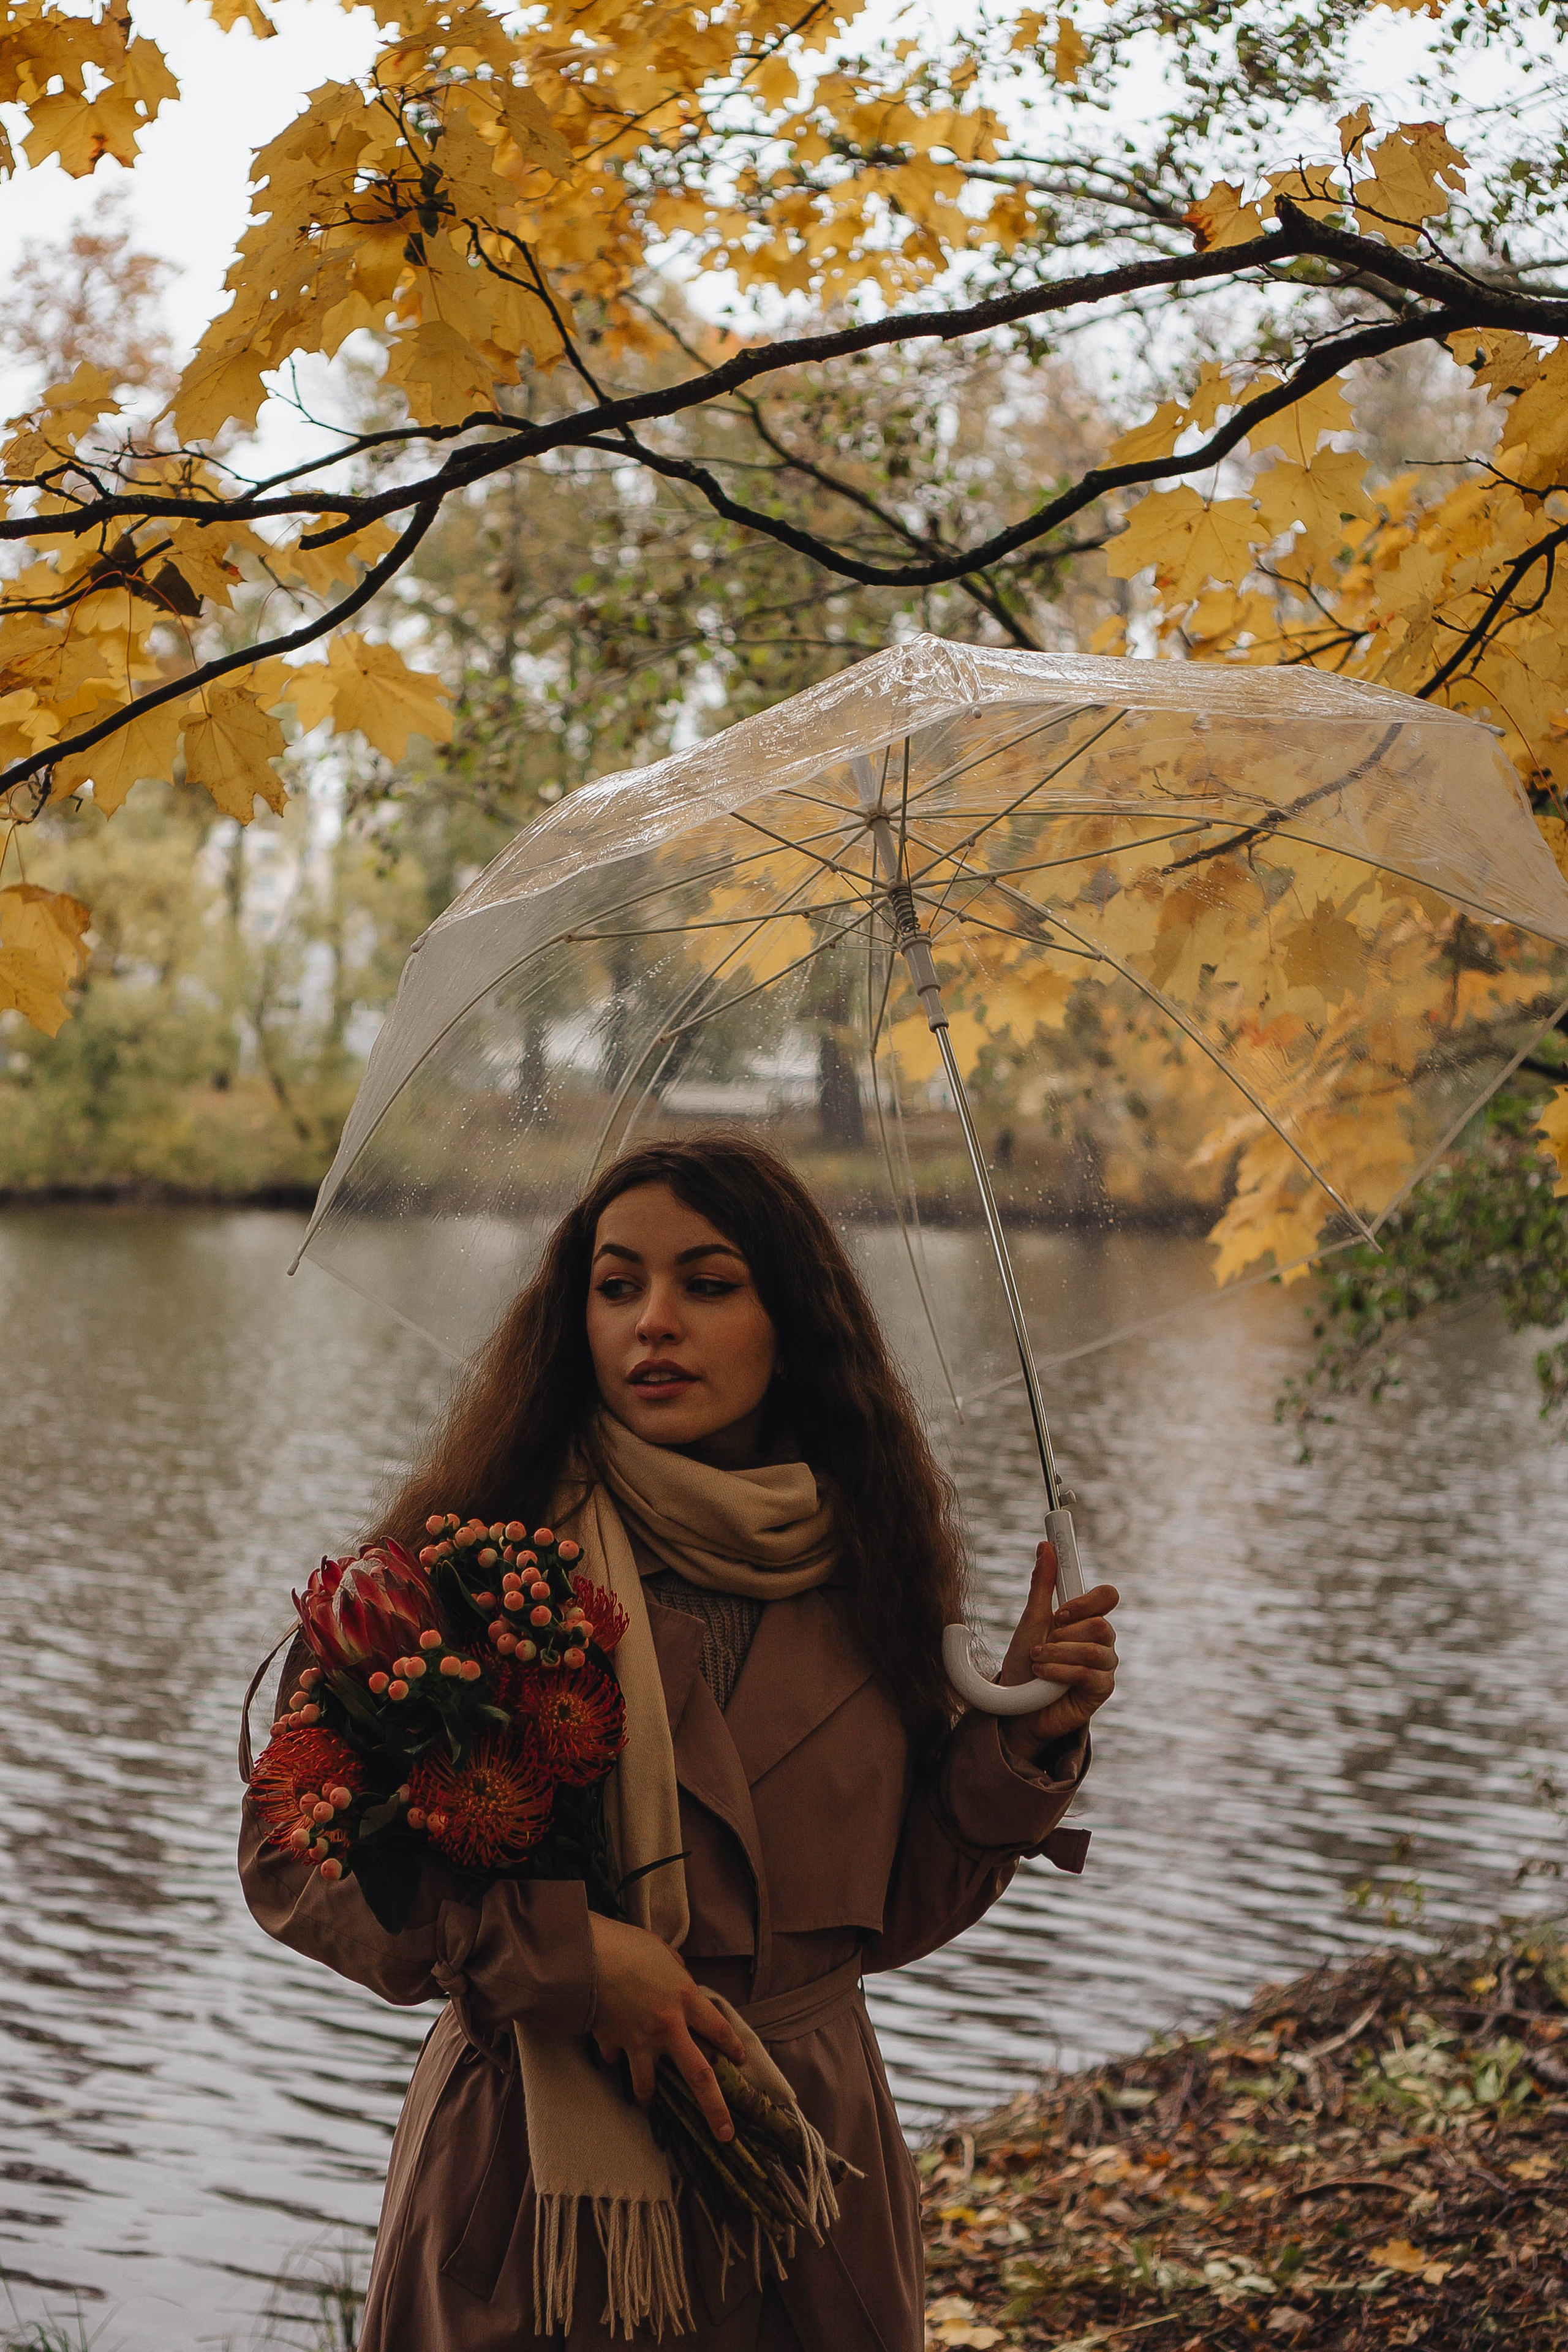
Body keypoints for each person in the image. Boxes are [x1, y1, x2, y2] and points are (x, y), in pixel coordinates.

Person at [239, 1135, 1120, 2351]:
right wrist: (569, 1961)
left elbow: (886, 1915)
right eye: (617, 1286)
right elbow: (290, 1860)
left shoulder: (875, 1573)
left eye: (707, 1284)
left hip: (801, 2187)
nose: (653, 1322)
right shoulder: (466, 1560)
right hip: (527, 2200)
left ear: (791, 1319)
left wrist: (1018, 1746)